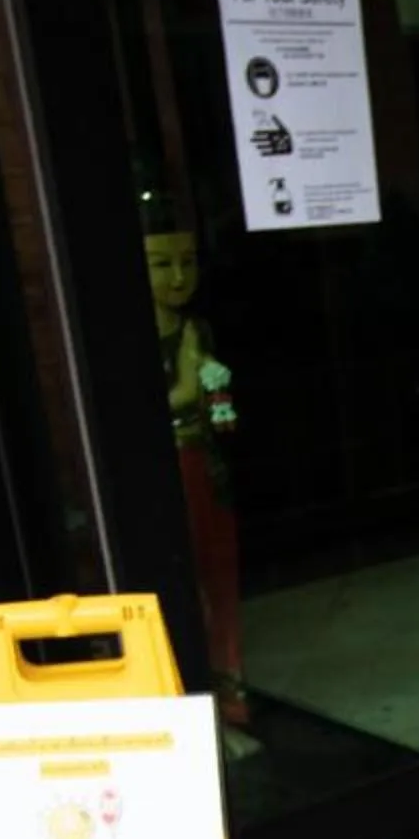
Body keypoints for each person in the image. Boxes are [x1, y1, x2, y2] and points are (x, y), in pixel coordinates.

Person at [143, 191, 247, 725]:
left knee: (220, 574)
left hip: (205, 463)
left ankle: (230, 686)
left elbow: (222, 417)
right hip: (169, 471)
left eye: (187, 261)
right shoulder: (140, 339)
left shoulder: (196, 329)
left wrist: (217, 390)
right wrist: (190, 382)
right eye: (161, 263)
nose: (179, 277)